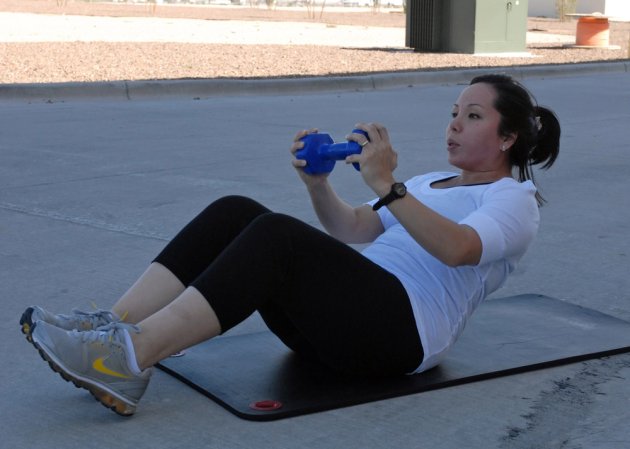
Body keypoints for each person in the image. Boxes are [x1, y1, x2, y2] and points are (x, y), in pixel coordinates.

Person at [20, 74, 560, 416]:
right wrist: (317, 185)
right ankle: (113, 328)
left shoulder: (515, 199)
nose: (454, 126)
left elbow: (458, 249)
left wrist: (385, 186)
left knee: (276, 235)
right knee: (238, 211)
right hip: (347, 323)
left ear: (508, 138)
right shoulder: (427, 182)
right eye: (453, 113)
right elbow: (352, 231)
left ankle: (128, 360)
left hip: (400, 335)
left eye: (472, 116)